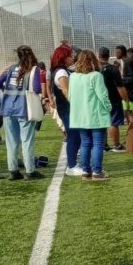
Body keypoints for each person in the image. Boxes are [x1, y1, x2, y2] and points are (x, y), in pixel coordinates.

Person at [0, 45, 45, 181]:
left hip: (7, 109)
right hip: (24, 109)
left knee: (11, 142)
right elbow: (36, 89)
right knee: (27, 140)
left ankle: (13, 171)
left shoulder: (10, 68)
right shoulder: (34, 70)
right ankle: (30, 171)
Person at [68, 49, 112, 180]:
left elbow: (70, 96)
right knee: (98, 143)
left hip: (80, 116)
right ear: (93, 61)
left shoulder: (73, 76)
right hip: (95, 114)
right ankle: (97, 172)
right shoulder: (96, 76)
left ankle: (86, 170)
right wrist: (109, 108)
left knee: (85, 143)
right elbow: (102, 96)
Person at [50, 43, 84, 176]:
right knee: (74, 136)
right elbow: (66, 91)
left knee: (76, 136)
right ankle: (71, 165)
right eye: (70, 56)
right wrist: (77, 107)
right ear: (63, 58)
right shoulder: (61, 72)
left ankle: (73, 163)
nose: (72, 58)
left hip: (67, 108)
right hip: (68, 108)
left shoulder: (63, 70)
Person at [98, 46, 130, 151]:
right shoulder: (112, 69)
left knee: (101, 122)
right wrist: (126, 100)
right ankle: (116, 145)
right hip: (113, 99)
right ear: (108, 56)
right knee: (113, 122)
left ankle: (103, 144)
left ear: (99, 56)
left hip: (99, 99)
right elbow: (120, 86)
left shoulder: (95, 68)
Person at [122, 48, 133, 118]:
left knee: (131, 114)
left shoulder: (131, 64)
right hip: (131, 94)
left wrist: (121, 80)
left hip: (132, 95)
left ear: (131, 54)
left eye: (127, 54)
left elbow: (132, 79)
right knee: (129, 114)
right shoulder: (131, 64)